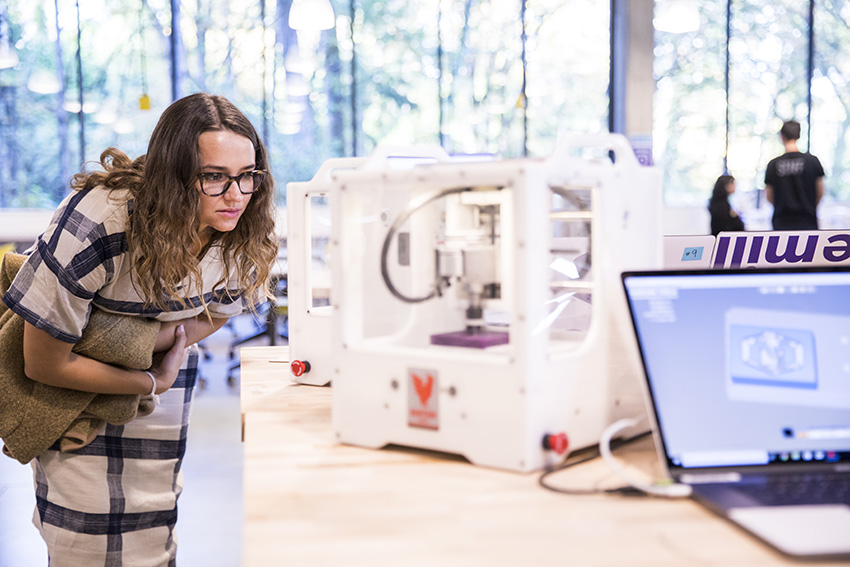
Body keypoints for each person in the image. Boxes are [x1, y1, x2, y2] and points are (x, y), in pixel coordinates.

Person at [3, 93, 278, 566]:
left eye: (247, 175)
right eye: (214, 177)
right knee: (82, 537)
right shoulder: (100, 221)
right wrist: (150, 376)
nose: (236, 194)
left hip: (161, 374)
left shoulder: (241, 225)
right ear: (172, 176)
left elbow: (218, 311)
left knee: (152, 522)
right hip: (71, 385)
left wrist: (158, 347)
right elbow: (43, 361)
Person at [764, 120, 825, 230]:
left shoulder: (773, 165)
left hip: (781, 223)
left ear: (782, 137)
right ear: (799, 135)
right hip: (808, 221)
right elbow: (820, 191)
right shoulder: (812, 162)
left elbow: (769, 196)